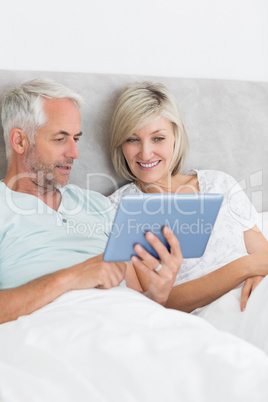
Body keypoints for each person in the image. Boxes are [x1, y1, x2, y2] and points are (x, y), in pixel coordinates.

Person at [0, 78, 183, 324]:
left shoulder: (99, 205)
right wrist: (72, 277)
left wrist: (159, 293)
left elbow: (141, 300)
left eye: (76, 138)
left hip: (130, 327)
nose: (75, 153)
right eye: (60, 138)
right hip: (54, 331)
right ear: (20, 141)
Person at [109, 81, 268, 324]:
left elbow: (264, 258)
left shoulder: (219, 184)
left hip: (257, 298)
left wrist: (257, 277)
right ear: (120, 144)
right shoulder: (116, 211)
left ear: (176, 136)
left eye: (158, 138)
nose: (146, 153)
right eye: (132, 139)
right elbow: (149, 304)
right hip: (207, 320)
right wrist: (244, 268)